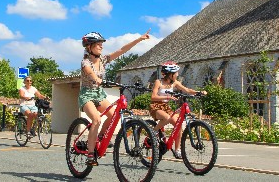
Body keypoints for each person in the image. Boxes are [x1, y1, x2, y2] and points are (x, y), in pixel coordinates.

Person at [79, 29, 151, 166]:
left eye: (101, 44)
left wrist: (139, 39)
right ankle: (90, 154)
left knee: (113, 115)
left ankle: (99, 137)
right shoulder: (85, 62)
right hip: (87, 94)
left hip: (99, 94)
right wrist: (96, 79)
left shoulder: (103, 59)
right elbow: (89, 72)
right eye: (98, 44)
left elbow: (122, 50)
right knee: (96, 119)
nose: (101, 46)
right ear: (89, 46)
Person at [149, 60, 206, 159]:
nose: (177, 75)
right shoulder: (159, 82)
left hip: (166, 107)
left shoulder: (174, 83)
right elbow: (153, 97)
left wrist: (199, 92)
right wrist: (167, 97)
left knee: (178, 125)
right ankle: (153, 131)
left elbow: (187, 90)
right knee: (167, 118)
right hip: (156, 106)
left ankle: (177, 150)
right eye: (175, 73)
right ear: (169, 74)